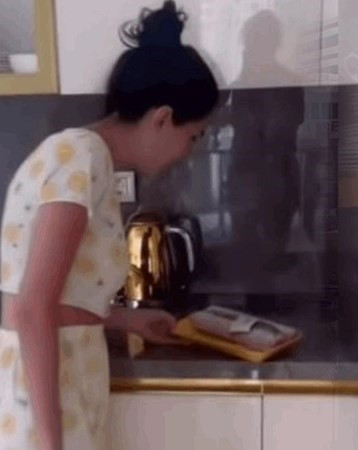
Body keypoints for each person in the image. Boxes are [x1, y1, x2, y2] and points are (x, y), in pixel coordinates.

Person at [0, 2, 219, 449]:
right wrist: (51, 441)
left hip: (65, 379)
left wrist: (125, 320)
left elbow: (59, 297)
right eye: (193, 135)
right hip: (47, 398)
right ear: (162, 118)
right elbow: (30, 308)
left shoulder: (84, 157)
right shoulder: (80, 158)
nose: (188, 152)